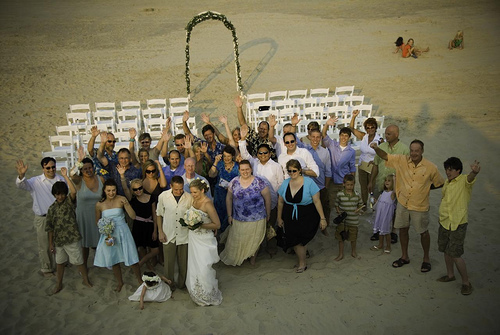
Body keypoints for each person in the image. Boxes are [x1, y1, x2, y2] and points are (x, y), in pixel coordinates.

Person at [371, 139, 444, 272]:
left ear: (422, 151)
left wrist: (425, 188)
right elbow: (385, 156)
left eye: (417, 150)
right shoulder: (401, 160)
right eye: (412, 150)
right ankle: (404, 256)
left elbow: (440, 183)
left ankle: (426, 259)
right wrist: (376, 148)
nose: (414, 153)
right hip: (403, 203)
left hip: (419, 205)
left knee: (423, 232)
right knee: (403, 229)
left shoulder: (431, 167)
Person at [436, 158, 480, 295]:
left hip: (458, 223)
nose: (448, 172)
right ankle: (450, 275)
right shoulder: (447, 183)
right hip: (444, 221)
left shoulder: (463, 181)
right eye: (447, 169)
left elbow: (470, 179)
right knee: (446, 250)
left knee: (456, 254)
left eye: (451, 170)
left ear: (458, 170)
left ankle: (466, 282)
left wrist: (474, 172)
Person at [16, 157, 65, 277]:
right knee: (44, 244)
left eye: (53, 167)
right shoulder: (35, 181)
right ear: (43, 168)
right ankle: (46, 268)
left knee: (60, 242)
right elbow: (22, 185)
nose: (51, 169)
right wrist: (22, 175)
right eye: (48, 167)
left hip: (59, 217)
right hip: (43, 218)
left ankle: (61, 263)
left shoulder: (60, 179)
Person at [46, 169, 92, 294]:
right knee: (59, 263)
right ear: (54, 195)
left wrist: (66, 176)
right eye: (57, 194)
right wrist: (51, 243)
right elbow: (50, 228)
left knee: (79, 261)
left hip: (72, 238)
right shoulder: (51, 209)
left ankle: (85, 280)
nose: (60, 196)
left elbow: (73, 191)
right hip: (59, 241)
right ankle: (59, 283)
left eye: (61, 194)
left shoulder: (68, 203)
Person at [277, 160, 327, 273]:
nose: (291, 173)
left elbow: (317, 201)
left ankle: (302, 263)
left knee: (299, 241)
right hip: (289, 216)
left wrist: (322, 218)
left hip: (307, 215)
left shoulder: (309, 182)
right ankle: (303, 258)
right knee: (294, 238)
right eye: (289, 171)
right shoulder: (285, 183)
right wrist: (279, 217)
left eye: (294, 170)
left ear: (300, 170)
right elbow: (280, 202)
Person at [94, 179, 142, 292]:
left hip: (123, 231)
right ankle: (120, 282)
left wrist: (126, 203)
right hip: (109, 234)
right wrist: (105, 229)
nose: (111, 193)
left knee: (131, 256)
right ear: (104, 191)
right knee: (113, 257)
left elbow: (133, 216)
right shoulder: (99, 204)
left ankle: (139, 280)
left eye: (113, 190)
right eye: (109, 190)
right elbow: (97, 221)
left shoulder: (121, 199)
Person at [221, 160, 272, 266]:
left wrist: (268, 213)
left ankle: (253, 259)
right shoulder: (234, 182)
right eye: (242, 169)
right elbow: (229, 198)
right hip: (239, 217)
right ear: (239, 170)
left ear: (251, 169)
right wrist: (229, 215)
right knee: (240, 239)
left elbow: (267, 198)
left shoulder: (259, 182)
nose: (245, 171)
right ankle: (243, 257)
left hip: (257, 217)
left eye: (247, 169)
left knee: (255, 240)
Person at [185, 179, 223, 306]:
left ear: (202, 190)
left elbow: (217, 224)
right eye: (191, 192)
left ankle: (207, 293)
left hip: (204, 239)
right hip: (193, 238)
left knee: (204, 266)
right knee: (194, 264)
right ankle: (196, 289)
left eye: (195, 192)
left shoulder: (208, 204)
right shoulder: (194, 200)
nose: (193, 194)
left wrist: (200, 226)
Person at [368, 124, 408, 242]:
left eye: (389, 134)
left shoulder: (404, 149)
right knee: (378, 208)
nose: (386, 136)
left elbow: (406, 169)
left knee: (394, 209)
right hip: (381, 182)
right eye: (386, 133)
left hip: (396, 186)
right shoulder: (382, 146)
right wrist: (371, 181)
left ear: (396, 135)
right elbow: (375, 165)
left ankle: (393, 232)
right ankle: (378, 230)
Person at [70, 148, 105, 268]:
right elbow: (71, 174)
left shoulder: (100, 179)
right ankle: (84, 265)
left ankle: (104, 261)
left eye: (90, 168)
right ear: (81, 170)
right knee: (84, 244)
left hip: (98, 215)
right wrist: (79, 161)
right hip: (84, 216)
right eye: (85, 168)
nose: (88, 170)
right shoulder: (79, 181)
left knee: (101, 240)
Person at [156, 176, 193, 289]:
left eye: (181, 189)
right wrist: (160, 232)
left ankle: (182, 285)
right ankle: (169, 286)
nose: (178, 191)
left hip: (184, 235)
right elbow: (159, 214)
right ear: (171, 186)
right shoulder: (163, 196)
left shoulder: (189, 197)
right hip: (168, 234)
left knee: (184, 263)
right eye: (176, 189)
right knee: (169, 264)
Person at [321, 116, 356, 222]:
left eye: (346, 136)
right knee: (329, 203)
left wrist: (351, 183)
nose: (343, 138)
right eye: (342, 135)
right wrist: (327, 124)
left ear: (349, 137)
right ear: (339, 136)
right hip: (332, 180)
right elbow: (324, 135)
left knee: (344, 204)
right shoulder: (332, 145)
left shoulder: (351, 151)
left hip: (343, 181)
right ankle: (326, 222)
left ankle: (343, 223)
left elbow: (352, 167)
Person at [349, 111, 382, 208]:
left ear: (376, 128)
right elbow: (351, 129)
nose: (370, 129)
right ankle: (364, 204)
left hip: (373, 166)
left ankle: (374, 206)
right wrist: (354, 116)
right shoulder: (363, 137)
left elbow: (383, 154)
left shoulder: (379, 140)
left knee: (372, 187)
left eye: (372, 127)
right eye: (368, 127)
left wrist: (376, 160)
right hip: (362, 165)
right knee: (363, 187)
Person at [127, 179, 159, 270]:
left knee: (155, 250)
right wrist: (122, 176)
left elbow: (154, 214)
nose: (138, 191)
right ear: (132, 191)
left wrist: (155, 230)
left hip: (149, 224)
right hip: (138, 226)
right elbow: (125, 189)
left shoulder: (151, 197)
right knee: (142, 248)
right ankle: (148, 265)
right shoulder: (133, 200)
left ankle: (139, 264)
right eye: (135, 189)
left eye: (140, 188)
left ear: (143, 187)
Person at [208, 145, 239, 233]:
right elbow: (211, 174)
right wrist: (216, 162)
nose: (226, 158)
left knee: (230, 217)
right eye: (225, 156)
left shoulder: (237, 166)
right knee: (219, 216)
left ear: (232, 156)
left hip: (232, 197)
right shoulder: (220, 164)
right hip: (220, 196)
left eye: (228, 156)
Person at [334, 174, 365, 261]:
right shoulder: (340, 194)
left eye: (351, 185)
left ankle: (353, 251)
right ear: (344, 184)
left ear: (354, 184)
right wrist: (338, 211)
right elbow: (336, 204)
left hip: (353, 221)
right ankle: (340, 254)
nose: (350, 187)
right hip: (343, 221)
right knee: (340, 238)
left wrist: (359, 210)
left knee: (353, 238)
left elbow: (361, 205)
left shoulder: (357, 195)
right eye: (348, 184)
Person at [234, 95, 276, 159]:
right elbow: (243, 124)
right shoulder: (255, 137)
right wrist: (239, 108)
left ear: (268, 131)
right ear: (258, 129)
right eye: (261, 128)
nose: (262, 130)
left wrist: (272, 127)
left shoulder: (270, 140)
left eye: (265, 129)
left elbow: (271, 138)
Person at [370, 175, 396, 254]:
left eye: (389, 181)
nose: (386, 182)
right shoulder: (383, 192)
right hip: (380, 214)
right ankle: (380, 244)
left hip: (386, 215)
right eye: (386, 180)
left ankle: (388, 246)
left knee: (386, 231)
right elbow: (378, 202)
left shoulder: (392, 194)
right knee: (380, 230)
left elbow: (395, 190)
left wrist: (395, 180)